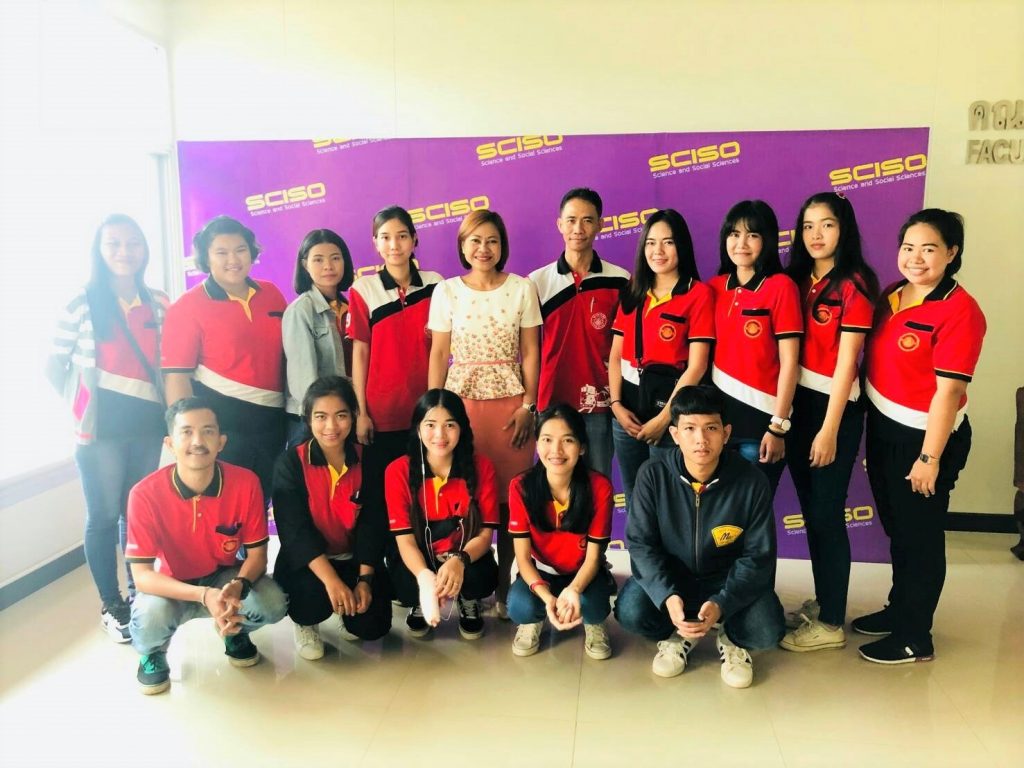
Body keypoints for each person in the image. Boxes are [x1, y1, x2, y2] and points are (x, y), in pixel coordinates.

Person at [857, 208, 986, 664]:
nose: (915, 258)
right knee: (899, 530)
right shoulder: (893, 295)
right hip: (885, 429)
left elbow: (948, 392)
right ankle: (900, 609)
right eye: (908, 247)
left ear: (951, 253)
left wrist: (930, 458)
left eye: (928, 249)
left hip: (927, 440)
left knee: (921, 537)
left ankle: (915, 636)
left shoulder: (961, 311)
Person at [46, 213, 169, 643]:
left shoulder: (158, 302)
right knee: (102, 516)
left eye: (132, 243)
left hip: (147, 427)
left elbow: (170, 362)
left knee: (135, 515)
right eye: (114, 243)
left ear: (144, 250)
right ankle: (112, 605)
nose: (124, 252)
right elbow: (54, 365)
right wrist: (81, 407)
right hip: (99, 434)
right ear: (99, 250)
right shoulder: (81, 302)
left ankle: (139, 593)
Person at [614, 385, 784, 688]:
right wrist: (666, 595)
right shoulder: (652, 474)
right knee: (630, 612)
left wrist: (723, 602)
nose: (701, 439)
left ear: (726, 433)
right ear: (675, 434)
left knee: (767, 631)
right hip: (674, 578)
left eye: (711, 428)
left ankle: (730, 637)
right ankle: (680, 632)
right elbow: (641, 544)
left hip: (725, 581)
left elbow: (758, 555)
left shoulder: (751, 481)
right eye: (689, 428)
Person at [125, 397, 288, 695]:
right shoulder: (144, 494)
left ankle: (233, 631)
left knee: (273, 603)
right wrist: (203, 595)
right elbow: (143, 576)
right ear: (170, 443)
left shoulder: (246, 483)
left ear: (221, 441)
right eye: (186, 432)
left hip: (223, 577)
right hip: (172, 584)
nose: (198, 441)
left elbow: (257, 556)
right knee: (150, 620)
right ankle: (153, 652)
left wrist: (238, 586)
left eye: (208, 431)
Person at [427, 209, 541, 616]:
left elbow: (530, 351)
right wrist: (435, 411)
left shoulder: (523, 288)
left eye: (492, 240)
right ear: (462, 246)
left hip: (512, 409)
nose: (483, 248)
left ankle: (507, 585)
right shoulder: (446, 291)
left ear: (502, 246)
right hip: (461, 407)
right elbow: (439, 352)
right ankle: (466, 588)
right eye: (474, 240)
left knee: (511, 501)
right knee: (466, 496)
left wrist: (529, 405)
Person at [779, 192, 878, 652]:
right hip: (797, 406)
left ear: (844, 229)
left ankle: (833, 622)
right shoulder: (795, 280)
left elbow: (847, 363)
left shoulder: (855, 283)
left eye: (827, 225)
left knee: (825, 515)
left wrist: (829, 429)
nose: (816, 235)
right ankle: (825, 603)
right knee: (813, 513)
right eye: (808, 226)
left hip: (832, 409)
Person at [162, 215, 286, 502]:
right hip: (222, 427)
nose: (233, 259)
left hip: (274, 423)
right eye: (221, 252)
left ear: (251, 252)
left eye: (240, 250)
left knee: (261, 502)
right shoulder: (186, 306)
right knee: (225, 507)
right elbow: (176, 377)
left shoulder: (271, 293)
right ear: (206, 258)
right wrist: (188, 434)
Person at [272, 376, 392, 661]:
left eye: (341, 415)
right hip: (310, 562)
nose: (331, 427)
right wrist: (332, 582)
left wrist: (364, 580)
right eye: (321, 417)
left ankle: (345, 611)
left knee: (372, 626)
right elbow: (294, 532)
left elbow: (373, 524)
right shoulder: (291, 463)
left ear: (353, 416)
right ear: (308, 418)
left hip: (353, 558)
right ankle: (306, 623)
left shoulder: (368, 459)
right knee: (310, 601)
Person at [348, 206, 442, 558]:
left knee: (424, 495)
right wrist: (361, 411)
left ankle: (423, 567)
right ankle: (382, 571)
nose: (394, 245)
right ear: (375, 243)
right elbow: (360, 353)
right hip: (382, 413)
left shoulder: (436, 284)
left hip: (426, 413)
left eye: (402, 236)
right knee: (380, 498)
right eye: (385, 237)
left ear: (414, 239)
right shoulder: (364, 290)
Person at [608, 209, 714, 510]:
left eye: (668, 242)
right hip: (626, 416)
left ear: (682, 246)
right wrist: (616, 406)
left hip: (671, 418)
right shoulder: (633, 290)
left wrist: (665, 419)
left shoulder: (698, 294)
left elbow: (697, 366)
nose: (658, 251)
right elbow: (615, 355)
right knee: (635, 503)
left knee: (669, 505)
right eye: (651, 243)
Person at [528, 188, 629, 476]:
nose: (578, 229)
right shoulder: (536, 282)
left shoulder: (620, 280)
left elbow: (625, 349)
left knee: (598, 481)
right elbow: (529, 349)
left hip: (601, 401)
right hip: (552, 400)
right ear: (559, 224)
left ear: (600, 225)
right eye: (571, 220)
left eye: (587, 220)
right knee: (554, 484)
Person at [385, 389, 500, 639]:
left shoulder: (482, 467)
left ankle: (467, 599)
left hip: (462, 554)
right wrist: (425, 578)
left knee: (483, 578)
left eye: (450, 425)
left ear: (462, 428)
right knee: (404, 585)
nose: (440, 435)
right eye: (430, 425)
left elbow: (484, 534)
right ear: (418, 429)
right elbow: (404, 541)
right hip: (421, 555)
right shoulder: (397, 471)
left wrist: (460, 560)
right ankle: (420, 598)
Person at [709, 200, 802, 496]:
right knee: (718, 513)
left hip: (761, 425)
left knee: (752, 513)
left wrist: (778, 426)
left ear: (768, 240)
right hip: (717, 426)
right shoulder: (714, 287)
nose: (741, 244)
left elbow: (790, 362)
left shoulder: (781, 287)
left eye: (752, 235)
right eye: (734, 234)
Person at [507, 404, 615, 659]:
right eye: (547, 440)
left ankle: (593, 622)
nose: (556, 450)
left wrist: (574, 590)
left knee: (593, 606)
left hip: (583, 572)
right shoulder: (521, 487)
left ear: (582, 447)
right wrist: (547, 599)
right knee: (520, 607)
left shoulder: (599, 487)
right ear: (537, 444)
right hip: (542, 571)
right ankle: (534, 620)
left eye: (567, 440)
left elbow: (593, 558)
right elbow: (523, 559)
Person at [282, 229, 355, 446]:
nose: (328, 266)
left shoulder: (351, 307)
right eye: (318, 259)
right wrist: (323, 416)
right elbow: (303, 381)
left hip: (345, 413)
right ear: (305, 265)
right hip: (312, 419)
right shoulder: (301, 310)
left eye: (335, 258)